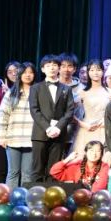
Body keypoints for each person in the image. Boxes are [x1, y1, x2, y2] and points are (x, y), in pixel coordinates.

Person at [28, 54, 76, 186]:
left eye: (55, 65)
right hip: (40, 134)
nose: (52, 68)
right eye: (48, 66)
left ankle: (52, 196)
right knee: (37, 169)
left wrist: (58, 127)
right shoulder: (35, 88)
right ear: (43, 69)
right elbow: (34, 110)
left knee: (54, 170)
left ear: (59, 68)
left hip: (59, 134)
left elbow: (70, 111)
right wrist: (48, 128)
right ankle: (35, 195)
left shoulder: (66, 89)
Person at [0, 61, 36, 189]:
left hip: (31, 139)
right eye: (25, 72)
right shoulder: (11, 93)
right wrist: (1, 136)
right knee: (13, 173)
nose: (28, 75)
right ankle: (10, 200)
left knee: (27, 174)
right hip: (13, 138)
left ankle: (25, 200)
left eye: (31, 72)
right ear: (20, 74)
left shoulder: (38, 92)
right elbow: (3, 115)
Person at [73, 60, 111, 155]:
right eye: (92, 70)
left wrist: (107, 121)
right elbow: (68, 112)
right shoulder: (82, 92)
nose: (95, 73)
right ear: (88, 72)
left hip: (105, 129)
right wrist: (82, 124)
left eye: (98, 70)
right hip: (87, 129)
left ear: (103, 71)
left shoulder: (110, 92)